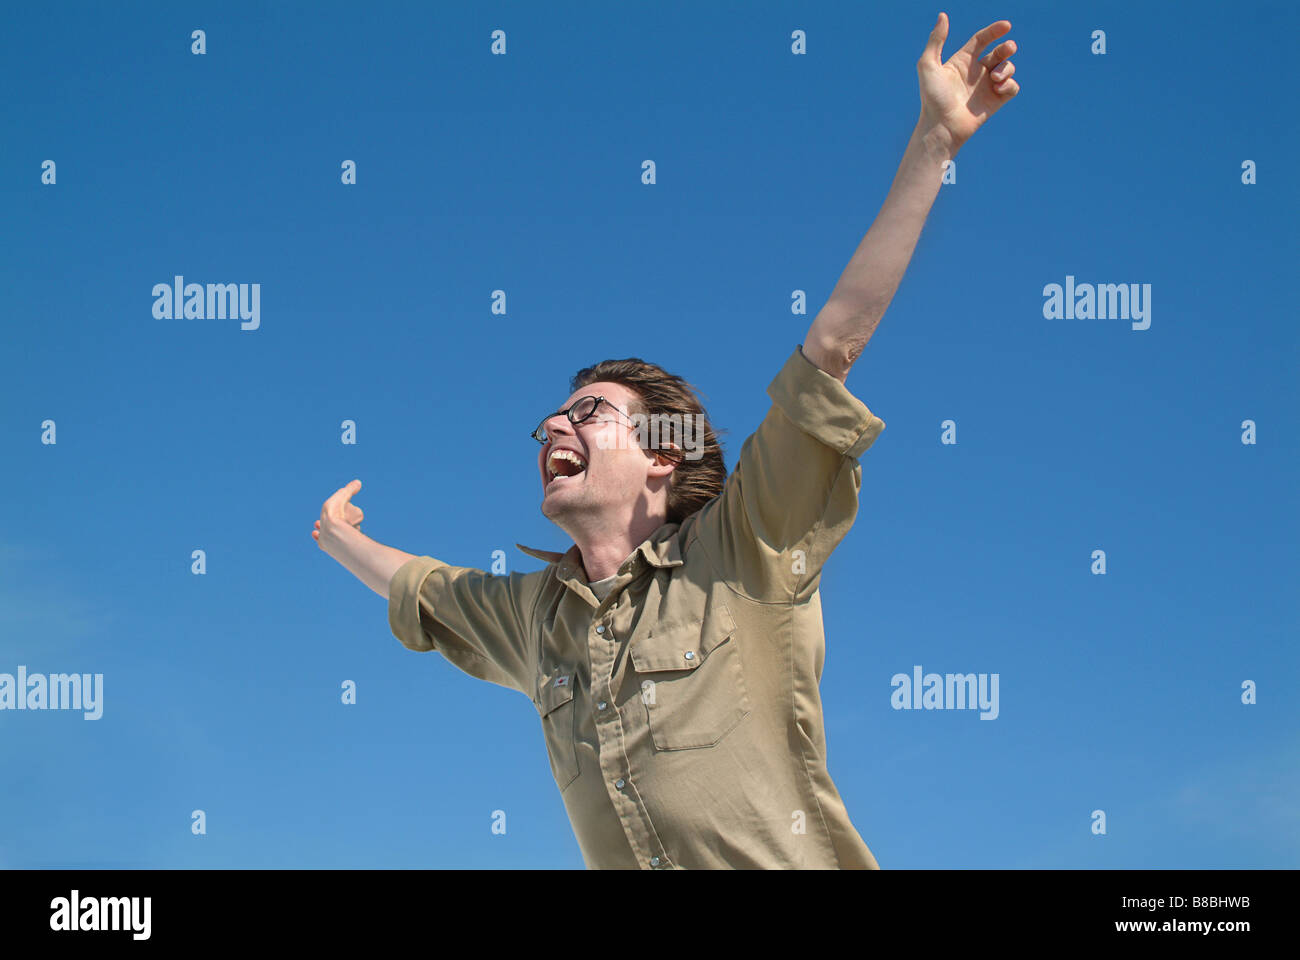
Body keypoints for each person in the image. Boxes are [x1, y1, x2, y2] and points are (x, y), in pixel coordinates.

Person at [313, 12, 1019, 869]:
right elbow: (427, 590)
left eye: (588, 412)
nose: (555, 429)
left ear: (664, 453)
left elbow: (831, 348)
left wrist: (935, 142)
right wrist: (341, 539)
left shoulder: (745, 547)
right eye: (550, 421)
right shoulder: (539, 623)